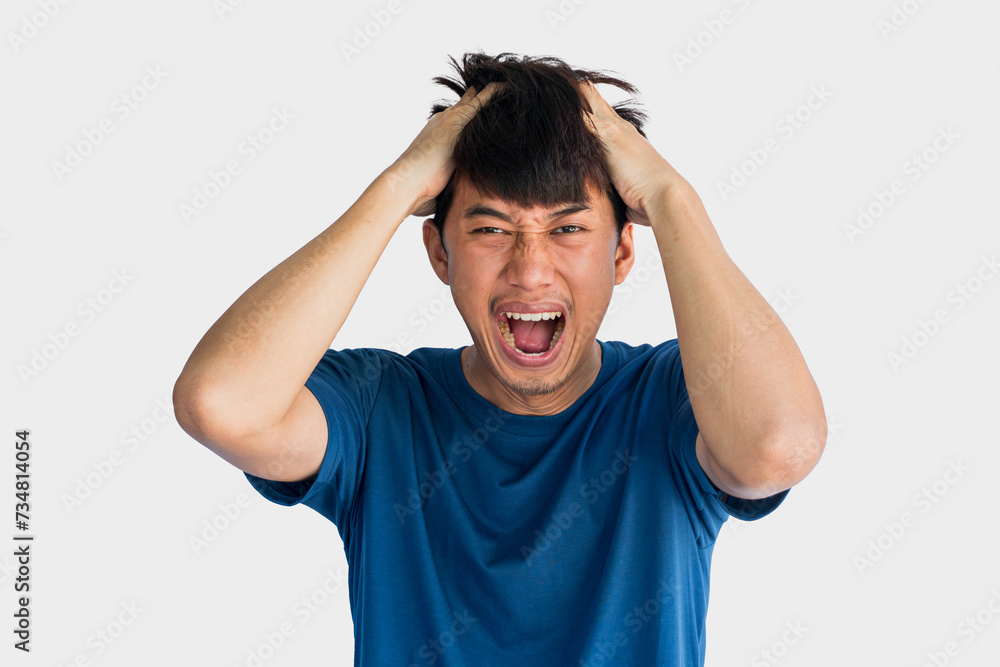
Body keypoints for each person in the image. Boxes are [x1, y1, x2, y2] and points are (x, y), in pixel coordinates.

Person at [173, 51, 827, 666]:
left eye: (568, 228)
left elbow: (777, 449)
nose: (530, 269)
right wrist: (398, 185)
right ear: (440, 253)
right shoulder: (379, 408)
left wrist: (670, 195)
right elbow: (221, 404)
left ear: (623, 253)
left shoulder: (676, 397)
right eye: (490, 229)